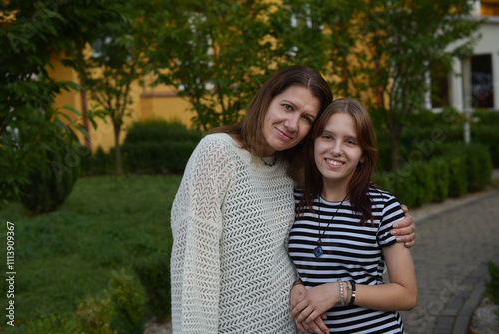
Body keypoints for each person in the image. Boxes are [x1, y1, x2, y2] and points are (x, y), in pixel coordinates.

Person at [170, 66, 416, 333]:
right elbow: (193, 268)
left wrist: (301, 285)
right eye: (287, 107)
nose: (292, 124)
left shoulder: (287, 175)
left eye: (307, 117)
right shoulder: (217, 151)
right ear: (266, 99)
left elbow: (286, 257)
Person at [288, 98, 417, 334]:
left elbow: (407, 294)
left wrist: (341, 291)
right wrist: (294, 286)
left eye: (350, 141)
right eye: (327, 137)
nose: (336, 149)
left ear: (363, 154)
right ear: (313, 142)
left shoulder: (383, 207)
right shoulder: (293, 201)